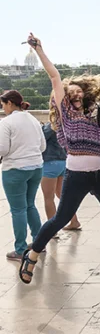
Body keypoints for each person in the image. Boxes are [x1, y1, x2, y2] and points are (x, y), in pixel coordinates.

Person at [20, 33, 100, 284]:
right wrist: (40, 49)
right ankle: (32, 255)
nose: (73, 94)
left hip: (99, 171)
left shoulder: (96, 115)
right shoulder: (66, 114)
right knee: (61, 219)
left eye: (77, 92)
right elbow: (54, 76)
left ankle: (93, 189)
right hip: (76, 174)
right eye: (69, 92)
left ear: (84, 95)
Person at [1, 90, 45, 261]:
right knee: (30, 205)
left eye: (3, 104)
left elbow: (2, 149)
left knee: (18, 210)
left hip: (15, 169)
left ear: (10, 103)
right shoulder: (32, 119)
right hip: (35, 167)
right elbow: (42, 146)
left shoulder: (7, 122)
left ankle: (20, 249)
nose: (3, 108)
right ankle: (38, 243)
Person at [40, 121, 81, 230]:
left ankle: (51, 230)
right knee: (62, 195)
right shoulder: (67, 124)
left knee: (48, 198)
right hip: (63, 162)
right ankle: (74, 221)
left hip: (50, 163)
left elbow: (40, 140)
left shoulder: (51, 125)